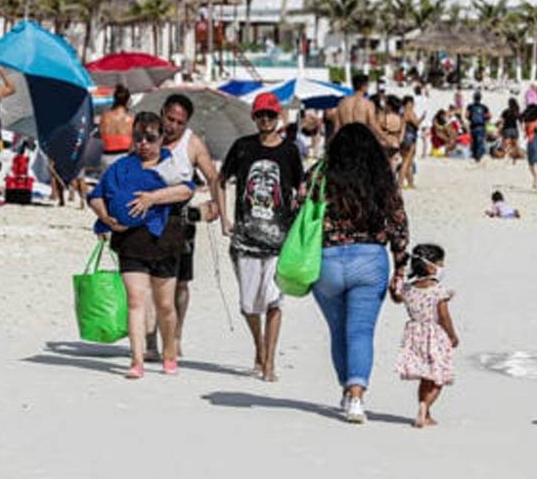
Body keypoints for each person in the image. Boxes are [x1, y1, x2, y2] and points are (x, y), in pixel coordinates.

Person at [311, 122, 409, 424]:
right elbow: (398, 223)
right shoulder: (381, 177)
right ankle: (356, 397)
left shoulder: (320, 173)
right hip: (370, 259)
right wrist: (400, 269)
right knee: (361, 331)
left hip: (326, 260)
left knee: (339, 330)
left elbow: (298, 207)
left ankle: (346, 386)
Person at [88, 112, 194, 377]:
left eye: (150, 138)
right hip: (130, 242)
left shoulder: (171, 165)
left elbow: (187, 190)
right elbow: (96, 195)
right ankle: (136, 360)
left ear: (161, 139)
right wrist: (105, 218)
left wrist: (152, 198)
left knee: (165, 305)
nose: (144, 143)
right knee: (136, 301)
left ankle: (169, 351)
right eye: (138, 138)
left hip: (164, 240)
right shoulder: (121, 166)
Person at [218, 93, 304, 382]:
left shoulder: (290, 150)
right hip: (245, 239)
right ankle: (259, 346)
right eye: (260, 115)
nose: (265, 120)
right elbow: (220, 181)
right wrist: (223, 217)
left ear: (278, 117)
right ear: (254, 118)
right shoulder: (242, 148)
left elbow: (300, 190)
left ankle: (269, 361)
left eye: (270, 115)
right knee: (247, 305)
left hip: (280, 241)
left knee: (274, 302)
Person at [155, 93, 223, 358]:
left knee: (180, 284)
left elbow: (213, 177)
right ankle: (150, 340)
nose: (172, 126)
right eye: (169, 119)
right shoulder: (149, 135)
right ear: (162, 113)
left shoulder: (192, 144)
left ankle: (175, 335)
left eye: (179, 122)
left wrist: (217, 207)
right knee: (151, 283)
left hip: (181, 220)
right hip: (149, 216)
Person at [391, 244, 458, 428]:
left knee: (424, 375)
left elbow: (396, 297)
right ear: (430, 266)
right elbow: (443, 316)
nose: (441, 266)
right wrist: (452, 335)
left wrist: (397, 275)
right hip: (435, 334)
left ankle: (425, 413)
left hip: (414, 334)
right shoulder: (437, 290)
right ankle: (424, 406)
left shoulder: (409, 288)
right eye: (439, 263)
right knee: (438, 377)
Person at [329, 73, 378, 139]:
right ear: (364, 86)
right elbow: (373, 125)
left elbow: (337, 127)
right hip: (361, 138)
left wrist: (331, 141)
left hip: (346, 139)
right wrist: (386, 139)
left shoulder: (342, 103)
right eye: (367, 85)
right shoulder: (368, 104)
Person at [100, 84, 134, 168]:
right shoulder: (131, 119)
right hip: (124, 156)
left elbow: (101, 134)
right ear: (127, 100)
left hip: (107, 156)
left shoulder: (105, 117)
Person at [398, 96, 420, 188]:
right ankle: (401, 182)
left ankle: (410, 182)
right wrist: (421, 118)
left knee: (407, 161)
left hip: (405, 137)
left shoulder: (401, 112)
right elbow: (416, 124)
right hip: (410, 137)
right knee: (407, 162)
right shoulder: (409, 112)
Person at [465, 92, 490, 162]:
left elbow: (466, 115)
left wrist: (471, 118)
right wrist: (484, 118)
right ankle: (479, 157)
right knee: (480, 141)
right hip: (481, 126)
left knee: (473, 141)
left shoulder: (470, 106)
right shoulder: (484, 107)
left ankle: (474, 155)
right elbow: (489, 116)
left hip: (473, 126)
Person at [499, 98, 521, 163]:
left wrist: (500, 129)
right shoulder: (516, 112)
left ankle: (507, 157)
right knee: (515, 145)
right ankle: (515, 158)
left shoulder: (505, 111)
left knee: (507, 145)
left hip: (507, 129)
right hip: (514, 129)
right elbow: (520, 121)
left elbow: (502, 121)